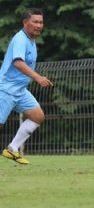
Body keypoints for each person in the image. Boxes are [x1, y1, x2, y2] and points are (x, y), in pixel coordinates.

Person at [0, 8, 52, 165]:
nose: (38, 25)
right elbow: (18, 62)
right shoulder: (20, 39)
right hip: (6, 89)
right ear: (25, 22)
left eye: (41, 22)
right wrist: (38, 77)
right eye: (35, 22)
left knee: (37, 116)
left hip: (20, 91)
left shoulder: (31, 40)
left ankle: (12, 149)